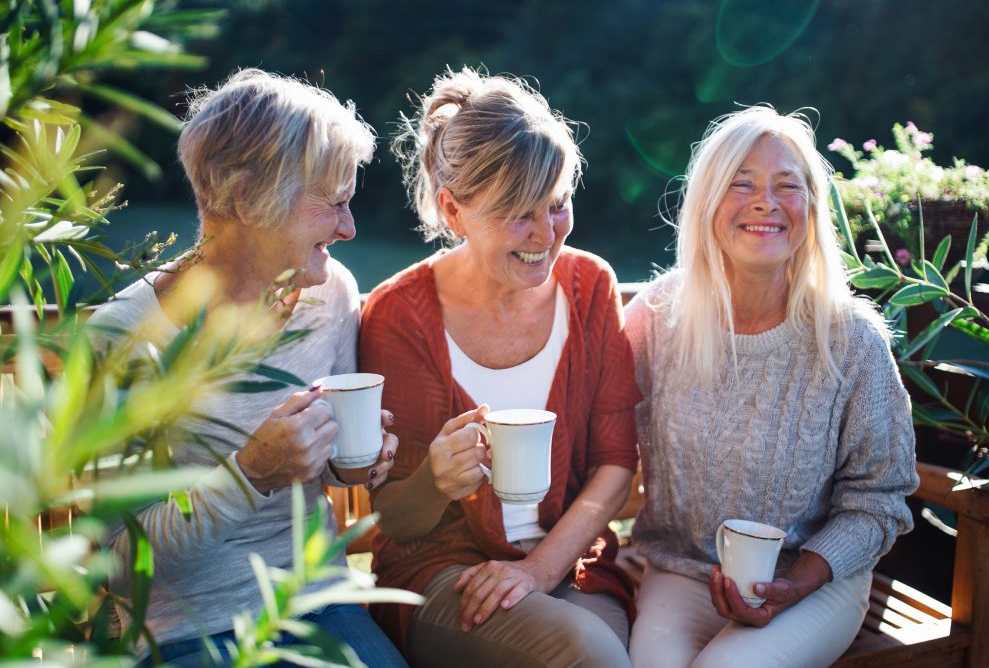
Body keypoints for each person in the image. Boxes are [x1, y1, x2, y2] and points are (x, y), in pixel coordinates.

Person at [89, 69, 407, 667]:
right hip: (183, 630)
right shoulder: (125, 333)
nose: (350, 228)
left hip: (314, 600)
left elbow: (334, 478)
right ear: (244, 198)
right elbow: (119, 558)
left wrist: (351, 459)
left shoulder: (331, 293)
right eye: (332, 204)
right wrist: (250, 475)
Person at [359, 67, 641, 668]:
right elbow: (394, 524)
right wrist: (436, 480)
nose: (546, 235)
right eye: (519, 214)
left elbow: (617, 462)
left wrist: (540, 569)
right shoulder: (398, 316)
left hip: (569, 567)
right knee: (591, 655)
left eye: (558, 205)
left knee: (608, 653)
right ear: (453, 210)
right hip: (440, 576)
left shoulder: (591, 287)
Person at [625, 106, 919, 668]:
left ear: (811, 208)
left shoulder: (852, 341)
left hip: (816, 581)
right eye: (742, 184)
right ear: (708, 200)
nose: (766, 201)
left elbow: (879, 500)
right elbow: (595, 430)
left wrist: (800, 582)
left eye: (788, 186)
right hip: (684, 570)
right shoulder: (658, 317)